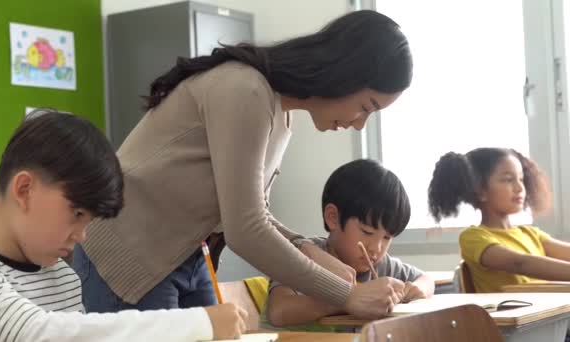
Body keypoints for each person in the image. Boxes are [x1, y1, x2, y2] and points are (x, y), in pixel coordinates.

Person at [74, 9, 413, 318]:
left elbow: (253, 212)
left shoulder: (281, 115)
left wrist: (307, 248)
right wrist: (346, 295)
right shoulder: (246, 90)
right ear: (345, 73)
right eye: (367, 107)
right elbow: (245, 229)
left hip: (187, 257)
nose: (359, 124)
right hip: (132, 254)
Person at [0, 110, 247, 341]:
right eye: (76, 214)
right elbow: (40, 333)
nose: (82, 235)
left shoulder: (61, 275)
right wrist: (198, 322)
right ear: (25, 190)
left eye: (88, 221)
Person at [262, 159, 434, 331]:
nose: (377, 248)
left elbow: (426, 279)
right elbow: (279, 311)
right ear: (333, 217)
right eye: (367, 232)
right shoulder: (304, 254)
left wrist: (417, 290)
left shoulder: (383, 267)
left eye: (387, 238)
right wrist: (348, 300)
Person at [427, 147, 570, 293]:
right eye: (508, 180)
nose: (520, 187)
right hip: (510, 315)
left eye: (521, 179)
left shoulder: (531, 233)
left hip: (546, 311)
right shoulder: (473, 237)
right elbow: (520, 263)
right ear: (480, 190)